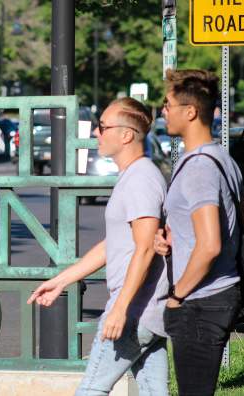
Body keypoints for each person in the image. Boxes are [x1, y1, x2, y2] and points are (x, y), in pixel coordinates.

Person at [27, 97, 169, 396]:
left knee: (91, 389)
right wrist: (61, 281)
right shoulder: (134, 176)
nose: (96, 133)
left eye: (103, 127)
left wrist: (120, 309)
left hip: (134, 311)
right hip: (148, 311)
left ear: (126, 135)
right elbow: (114, 245)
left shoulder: (140, 179)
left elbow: (144, 249)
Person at [154, 69, 243, 396]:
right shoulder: (220, 159)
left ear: (190, 112)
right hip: (212, 296)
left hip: (200, 301)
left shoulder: (200, 167)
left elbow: (209, 245)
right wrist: (169, 234)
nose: (163, 111)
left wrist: (177, 297)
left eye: (168, 104)